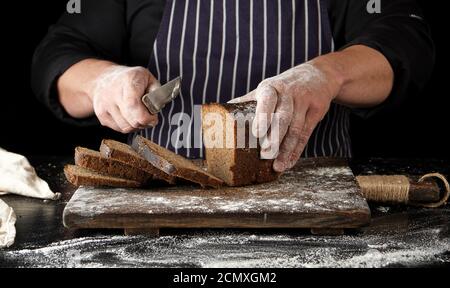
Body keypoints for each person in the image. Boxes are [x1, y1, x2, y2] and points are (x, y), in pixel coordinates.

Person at [31, 0, 434, 172]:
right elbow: (59, 54)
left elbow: (405, 42)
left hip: (309, 192)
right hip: (160, 198)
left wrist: (328, 74)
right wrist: (102, 81)